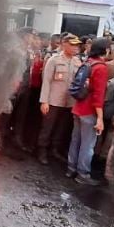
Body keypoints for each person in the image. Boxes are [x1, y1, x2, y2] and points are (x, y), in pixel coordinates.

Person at [67, 37, 110, 185]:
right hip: (89, 111)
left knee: (75, 140)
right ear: (105, 50)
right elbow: (98, 95)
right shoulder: (101, 67)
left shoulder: (87, 62)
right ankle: (82, 174)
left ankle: (71, 168)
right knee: (88, 144)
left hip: (78, 107)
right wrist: (100, 118)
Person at [37, 34, 82, 165]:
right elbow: (46, 81)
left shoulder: (77, 62)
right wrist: (44, 101)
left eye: (77, 45)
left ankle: (54, 150)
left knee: (61, 128)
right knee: (47, 127)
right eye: (72, 45)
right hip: (53, 101)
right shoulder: (54, 60)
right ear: (64, 44)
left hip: (69, 102)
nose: (76, 48)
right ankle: (42, 151)